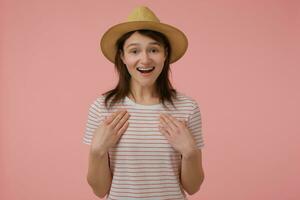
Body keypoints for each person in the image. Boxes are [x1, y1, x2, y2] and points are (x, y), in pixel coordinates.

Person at [83, 5, 205, 200]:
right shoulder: (102, 108)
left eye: (154, 49)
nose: (145, 59)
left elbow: (193, 187)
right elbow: (99, 190)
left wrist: (190, 152)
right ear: (122, 56)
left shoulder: (187, 107)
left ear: (165, 54)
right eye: (134, 51)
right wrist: (97, 151)